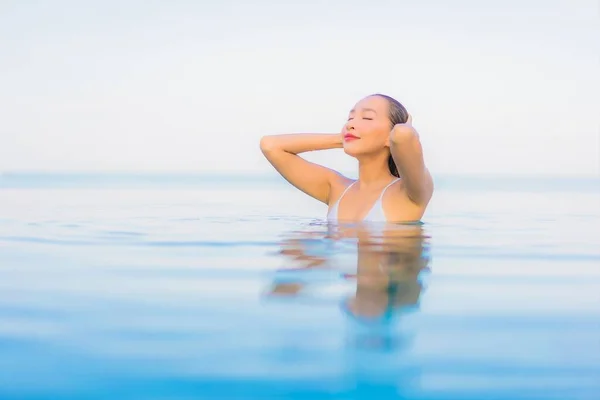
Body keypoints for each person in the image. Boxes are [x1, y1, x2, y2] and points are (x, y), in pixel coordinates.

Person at [260, 94, 434, 223]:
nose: (350, 124)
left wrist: (401, 130)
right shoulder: (336, 188)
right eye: (350, 118)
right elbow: (270, 146)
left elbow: (403, 136)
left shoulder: (409, 192)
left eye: (367, 117)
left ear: (391, 135)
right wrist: (342, 138)